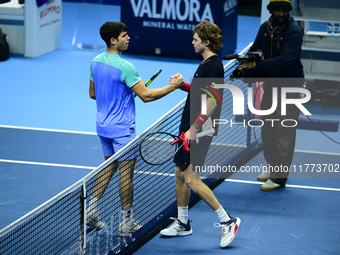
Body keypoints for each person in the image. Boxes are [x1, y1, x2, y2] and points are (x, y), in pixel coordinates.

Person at [87, 21, 183, 236]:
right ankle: (126, 223)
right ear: (114, 40)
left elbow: (93, 94)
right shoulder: (126, 67)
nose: (128, 38)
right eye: (124, 35)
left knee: (108, 167)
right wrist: (173, 87)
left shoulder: (95, 62)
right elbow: (147, 96)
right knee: (126, 175)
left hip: (103, 126)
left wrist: (118, 96)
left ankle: (91, 210)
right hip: (122, 130)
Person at [159, 20, 241, 248]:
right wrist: (182, 85)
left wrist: (194, 128)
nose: (192, 42)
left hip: (200, 130)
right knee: (179, 172)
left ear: (206, 42)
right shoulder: (205, 64)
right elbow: (201, 91)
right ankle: (183, 223)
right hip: (190, 127)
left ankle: (228, 221)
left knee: (192, 179)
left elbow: (213, 100)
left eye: (195, 39)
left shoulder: (213, 65)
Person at [236, 0, 304, 191]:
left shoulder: (294, 32)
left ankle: (279, 178)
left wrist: (257, 66)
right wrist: (248, 63)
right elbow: (256, 49)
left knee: (284, 133)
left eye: (284, 10)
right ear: (271, 11)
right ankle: (272, 166)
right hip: (271, 85)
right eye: (277, 10)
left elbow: (286, 60)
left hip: (289, 87)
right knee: (268, 129)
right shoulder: (265, 28)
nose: (281, 13)